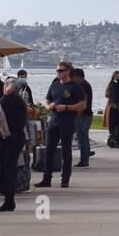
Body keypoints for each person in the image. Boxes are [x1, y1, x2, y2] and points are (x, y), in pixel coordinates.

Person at [37, 60, 86, 188]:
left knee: (66, 151)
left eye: (61, 70)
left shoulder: (75, 86)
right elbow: (47, 102)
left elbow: (82, 104)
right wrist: (49, 106)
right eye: (57, 70)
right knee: (49, 150)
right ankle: (46, 179)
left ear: (68, 71)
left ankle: (65, 179)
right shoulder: (54, 85)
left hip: (67, 122)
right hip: (53, 121)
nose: (59, 73)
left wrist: (66, 107)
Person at [0, 78, 29, 212]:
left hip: (6, 139)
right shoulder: (21, 102)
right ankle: (9, 200)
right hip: (18, 138)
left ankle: (9, 200)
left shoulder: (3, 101)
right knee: (11, 168)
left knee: (6, 170)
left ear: (7, 88)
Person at [71, 67, 95, 167]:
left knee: (82, 138)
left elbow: (83, 101)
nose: (72, 79)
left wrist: (77, 114)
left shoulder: (83, 86)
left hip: (83, 115)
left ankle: (84, 160)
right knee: (83, 137)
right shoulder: (84, 84)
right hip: (86, 115)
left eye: (73, 77)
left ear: (77, 76)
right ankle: (85, 158)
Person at [105, 70, 119, 145]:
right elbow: (107, 94)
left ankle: (116, 138)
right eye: (116, 77)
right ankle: (112, 137)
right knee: (112, 122)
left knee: (118, 123)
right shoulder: (111, 84)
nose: (117, 78)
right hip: (112, 106)